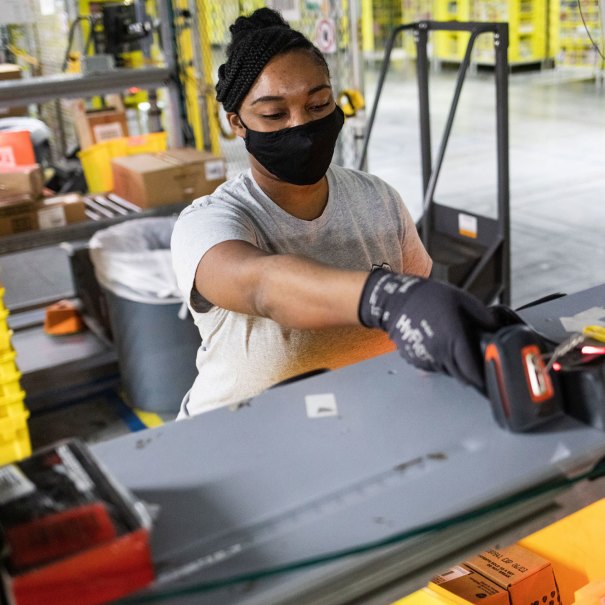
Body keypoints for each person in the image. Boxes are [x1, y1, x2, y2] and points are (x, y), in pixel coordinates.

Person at [171, 7, 503, 418]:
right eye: (274, 114)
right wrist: (386, 297)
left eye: (318, 104)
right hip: (233, 433)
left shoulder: (378, 200)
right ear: (237, 123)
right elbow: (262, 286)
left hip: (356, 420)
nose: (300, 125)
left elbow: (420, 316)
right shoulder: (208, 221)